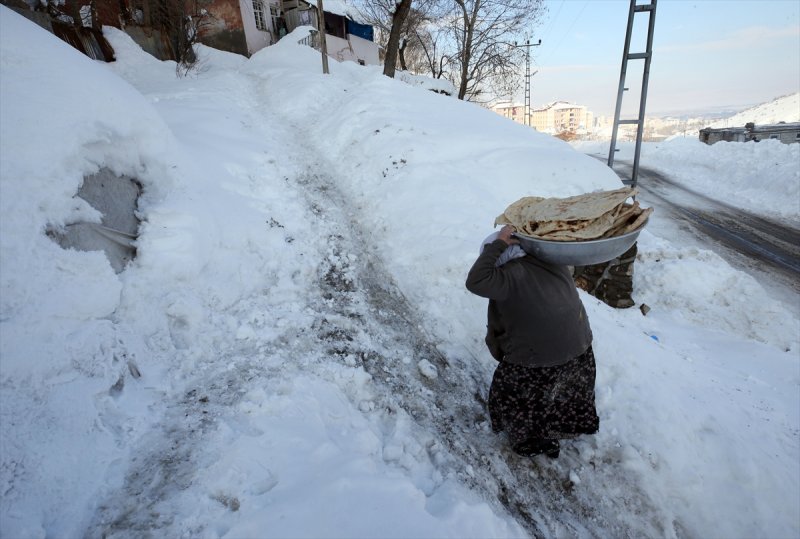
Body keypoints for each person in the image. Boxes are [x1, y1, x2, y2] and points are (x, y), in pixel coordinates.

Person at [465, 224, 599, 458]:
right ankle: (567, 423)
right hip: (581, 351)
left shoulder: (507, 277)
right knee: (563, 382)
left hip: (540, 360)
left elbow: (475, 281)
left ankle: (533, 440)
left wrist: (498, 245)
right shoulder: (552, 263)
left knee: (514, 388)